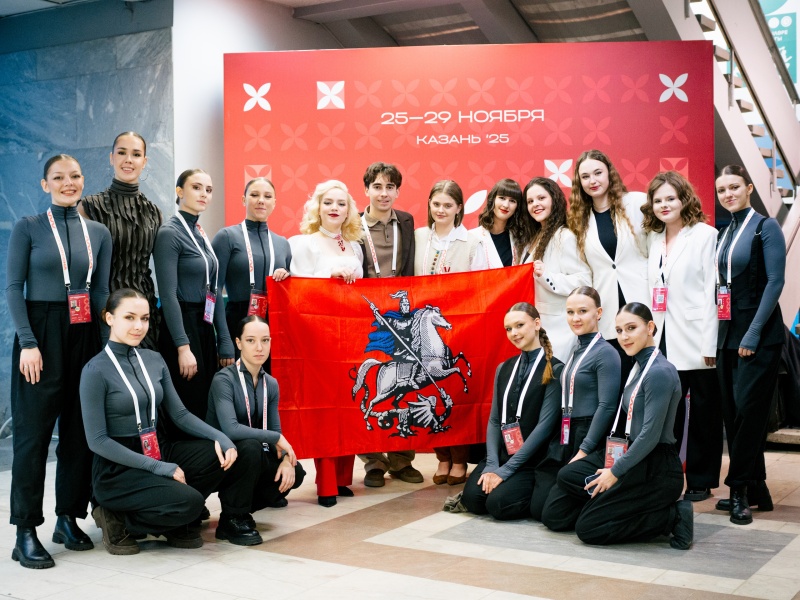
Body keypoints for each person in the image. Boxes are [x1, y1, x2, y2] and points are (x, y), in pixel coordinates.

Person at [81, 289, 262, 554]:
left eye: (144, 318)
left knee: (243, 449)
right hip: (118, 467)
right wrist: (158, 468)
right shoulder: (95, 370)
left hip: (158, 447)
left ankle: (220, 518)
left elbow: (180, 415)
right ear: (109, 318)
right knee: (191, 504)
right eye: (129, 317)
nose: (138, 326)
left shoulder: (154, 360)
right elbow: (97, 441)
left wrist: (222, 438)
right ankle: (117, 518)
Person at [6, 154, 112, 569]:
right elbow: (14, 287)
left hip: (84, 332)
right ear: (44, 184)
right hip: (41, 332)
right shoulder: (28, 227)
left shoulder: (98, 232)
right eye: (59, 177)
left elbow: (100, 291)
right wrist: (28, 342)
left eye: (75, 176)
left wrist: (105, 346)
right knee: (32, 436)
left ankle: (68, 518)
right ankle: (25, 531)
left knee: (78, 432)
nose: (69, 183)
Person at [542, 303, 692, 550]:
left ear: (650, 328)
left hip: (656, 467)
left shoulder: (659, 372)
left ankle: (672, 516)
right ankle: (609, 506)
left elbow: (650, 436)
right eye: (619, 330)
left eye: (631, 328)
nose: (624, 337)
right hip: (630, 452)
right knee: (561, 496)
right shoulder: (637, 365)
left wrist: (615, 472)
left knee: (588, 528)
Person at [642, 171, 721, 502]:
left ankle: (701, 480)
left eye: (670, 198)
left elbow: (712, 291)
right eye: (658, 200)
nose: (664, 205)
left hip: (697, 337)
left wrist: (710, 342)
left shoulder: (705, 235)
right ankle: (667, 476)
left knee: (704, 413)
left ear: (684, 199)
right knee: (668, 413)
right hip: (662, 337)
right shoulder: (654, 239)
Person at [713, 165, 785, 525]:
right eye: (722, 190)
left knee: (749, 413)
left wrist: (753, 333)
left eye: (734, 187)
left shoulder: (765, 227)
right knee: (735, 415)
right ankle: (758, 488)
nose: (728, 194)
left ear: (749, 188)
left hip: (759, 334)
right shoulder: (724, 232)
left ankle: (739, 489)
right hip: (727, 332)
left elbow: (775, 282)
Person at [289, 179, 363, 506]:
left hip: (351, 338)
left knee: (349, 406)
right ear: (317, 208)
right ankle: (326, 483)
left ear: (349, 211)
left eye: (341, 203)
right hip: (319, 338)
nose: (334, 208)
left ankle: (344, 478)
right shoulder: (304, 244)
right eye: (328, 202)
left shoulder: (356, 246)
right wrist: (328, 280)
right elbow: (298, 290)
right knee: (325, 411)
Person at [414, 180, 488, 484]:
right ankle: (441, 458)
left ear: (459, 208)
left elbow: (482, 285)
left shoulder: (471, 242)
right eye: (436, 204)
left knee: (455, 393)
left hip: (459, 328)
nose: (441, 210)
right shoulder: (419, 236)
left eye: (448, 205)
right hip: (424, 329)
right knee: (428, 391)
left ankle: (459, 459)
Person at [461, 303, 563, 520]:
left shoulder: (555, 369)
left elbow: (544, 428)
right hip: (503, 454)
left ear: (536, 324)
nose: (514, 333)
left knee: (499, 505)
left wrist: (507, 471)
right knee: (472, 500)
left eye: (519, 325)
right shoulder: (504, 368)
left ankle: (532, 491)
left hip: (532, 460)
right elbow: (494, 420)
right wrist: (492, 464)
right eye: (509, 329)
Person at [356, 162, 423, 489]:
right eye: (377, 186)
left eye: (390, 187)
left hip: (400, 314)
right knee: (371, 381)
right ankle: (373, 461)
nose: (384, 193)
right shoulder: (352, 224)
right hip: (363, 314)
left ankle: (401, 460)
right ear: (366, 189)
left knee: (405, 381)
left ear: (397, 191)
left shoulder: (407, 222)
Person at [154, 169, 233, 432]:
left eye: (208, 190)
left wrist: (223, 339)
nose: (204, 194)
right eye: (196, 187)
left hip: (203, 325)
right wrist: (182, 347)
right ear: (179, 192)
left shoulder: (198, 231)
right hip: (182, 325)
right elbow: (168, 295)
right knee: (190, 400)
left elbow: (214, 289)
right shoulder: (169, 232)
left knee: (206, 401)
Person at [535, 287, 620, 522]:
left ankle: (610, 507)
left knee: (553, 516)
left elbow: (607, 406)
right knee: (539, 507)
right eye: (570, 312)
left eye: (583, 311)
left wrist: (584, 450)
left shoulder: (606, 353)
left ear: (598, 313)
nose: (575, 318)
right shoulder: (576, 350)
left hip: (589, 434)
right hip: (567, 432)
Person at [207, 315, 306, 512]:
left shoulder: (271, 383)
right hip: (221, 455)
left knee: (296, 472)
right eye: (251, 340)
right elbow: (231, 429)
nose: (259, 347)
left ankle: (248, 501)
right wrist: (276, 438)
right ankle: (234, 514)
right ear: (239, 343)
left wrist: (286, 459)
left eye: (265, 340)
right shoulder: (224, 379)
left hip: (253, 452)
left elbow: (275, 430)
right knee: (251, 448)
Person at [567, 149, 649, 384]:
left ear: (609, 174)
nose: (592, 181)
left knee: (648, 377)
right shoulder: (578, 219)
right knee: (619, 381)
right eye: (585, 177)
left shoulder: (637, 202)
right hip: (608, 311)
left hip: (642, 299)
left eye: (598, 173)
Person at [80, 131, 163, 349]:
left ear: (144, 162)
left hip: (144, 314)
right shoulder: (89, 207)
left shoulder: (154, 213)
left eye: (136, 154)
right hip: (104, 313)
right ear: (111, 158)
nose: (128, 160)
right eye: (122, 153)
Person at [211, 177, 291, 364]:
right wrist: (224, 339)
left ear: (274, 202)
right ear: (243, 199)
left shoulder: (283, 244)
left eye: (267, 196)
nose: (261, 200)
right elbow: (214, 290)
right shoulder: (227, 237)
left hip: (273, 328)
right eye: (254, 195)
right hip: (237, 322)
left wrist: (287, 277)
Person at [521, 177, 591, 361]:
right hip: (539, 328)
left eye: (541, 198)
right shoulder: (535, 238)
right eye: (530, 201)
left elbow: (584, 281)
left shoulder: (564, 237)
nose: (535, 204)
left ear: (554, 199)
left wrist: (546, 276)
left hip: (559, 330)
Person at [470, 178, 531, 268]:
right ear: (493, 199)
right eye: (502, 198)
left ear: (517, 207)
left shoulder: (521, 239)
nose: (506, 205)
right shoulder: (472, 237)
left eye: (512, 201)